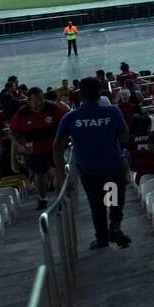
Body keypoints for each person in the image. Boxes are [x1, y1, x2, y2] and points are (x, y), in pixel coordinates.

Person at [54, 76, 131, 249]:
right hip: (113, 166)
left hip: (90, 171)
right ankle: (115, 226)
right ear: (100, 94)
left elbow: (57, 146)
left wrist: (60, 173)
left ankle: (102, 239)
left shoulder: (71, 117)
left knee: (97, 205)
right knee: (113, 199)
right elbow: (125, 137)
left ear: (80, 95)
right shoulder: (113, 112)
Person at [9, 88, 68, 209]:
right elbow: (12, 132)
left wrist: (64, 140)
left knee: (57, 172)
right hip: (33, 151)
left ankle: (61, 199)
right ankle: (42, 198)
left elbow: (67, 122)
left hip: (54, 148)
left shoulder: (54, 108)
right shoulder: (21, 114)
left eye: (40, 100)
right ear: (29, 101)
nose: (38, 104)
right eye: (35, 101)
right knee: (39, 174)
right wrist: (20, 146)